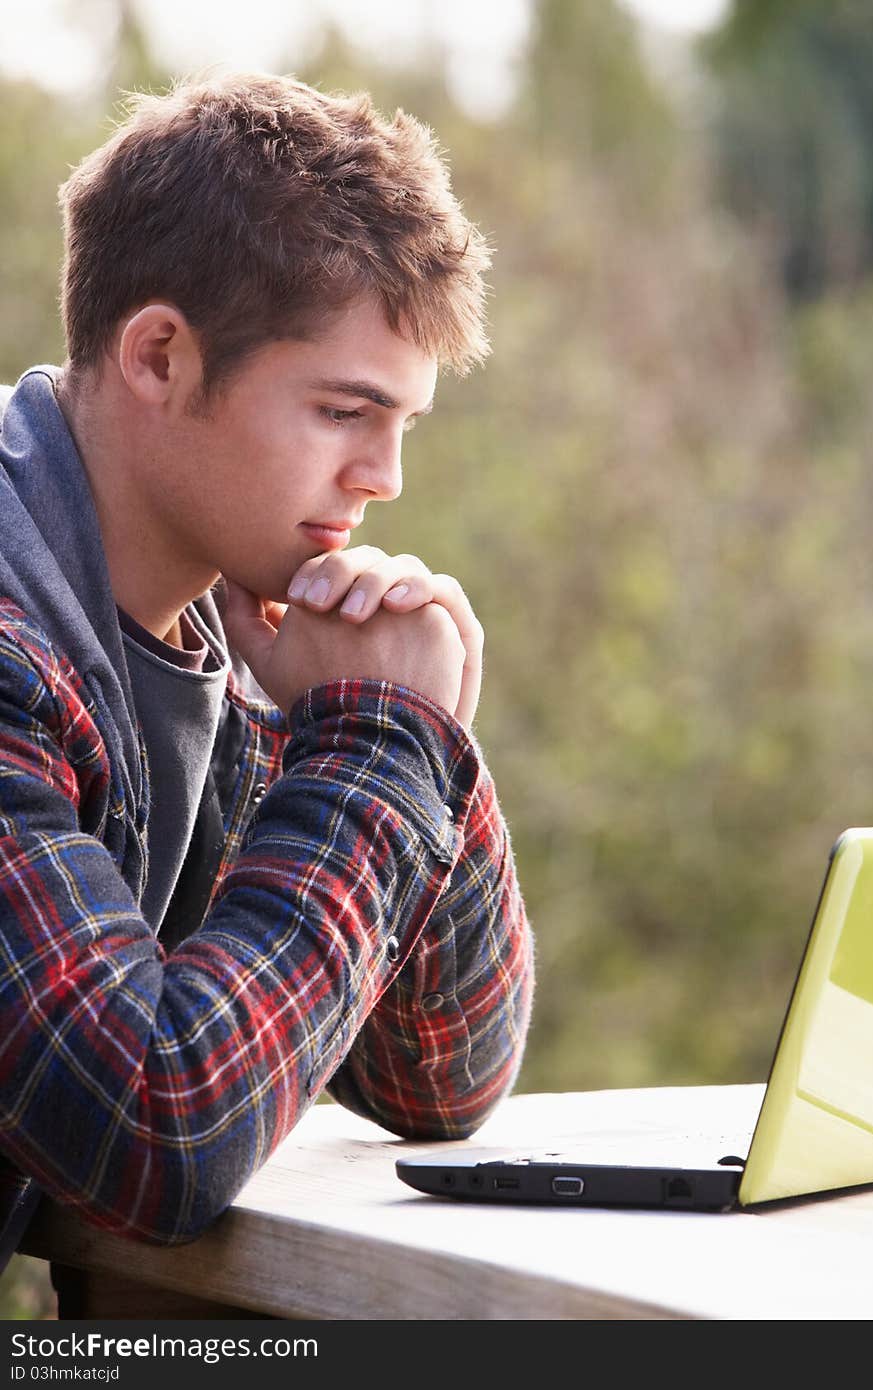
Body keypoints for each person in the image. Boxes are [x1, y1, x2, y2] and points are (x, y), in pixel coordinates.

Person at [0, 71, 534, 1304]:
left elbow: (437, 1078)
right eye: (346, 410)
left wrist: (410, 728)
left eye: (403, 423)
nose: (386, 477)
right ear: (159, 357)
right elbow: (154, 1130)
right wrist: (383, 752)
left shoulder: (228, 641)